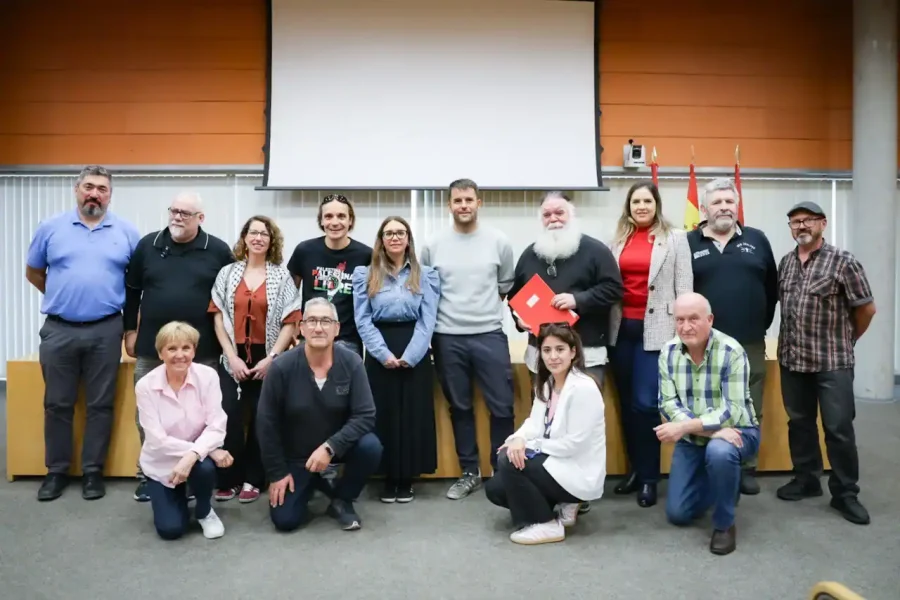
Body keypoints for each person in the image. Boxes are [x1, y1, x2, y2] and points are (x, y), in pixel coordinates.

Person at [25, 165, 141, 502]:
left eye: (102, 189)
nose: (94, 194)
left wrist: (130, 328)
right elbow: (34, 272)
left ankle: (93, 472)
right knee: (57, 404)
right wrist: (63, 298)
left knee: (100, 404)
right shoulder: (51, 228)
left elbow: (135, 284)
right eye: (89, 186)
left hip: (106, 329)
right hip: (59, 329)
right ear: (77, 190)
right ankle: (56, 471)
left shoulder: (127, 232)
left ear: (110, 195)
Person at [508, 191, 622, 514]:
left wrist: (578, 300)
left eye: (559, 212)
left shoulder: (595, 250)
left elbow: (614, 289)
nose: (553, 219)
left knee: (579, 425)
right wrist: (519, 319)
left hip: (587, 351)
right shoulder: (531, 254)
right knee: (545, 419)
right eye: (547, 214)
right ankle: (551, 485)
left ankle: (578, 492)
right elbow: (516, 297)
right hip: (541, 354)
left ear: (571, 215)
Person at [124, 192, 234, 502]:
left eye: (186, 213)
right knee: (147, 416)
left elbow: (229, 298)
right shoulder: (148, 245)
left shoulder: (218, 250)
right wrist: (129, 330)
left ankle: (195, 473)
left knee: (198, 416)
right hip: (152, 348)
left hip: (202, 351)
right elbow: (131, 292)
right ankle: (149, 474)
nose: (177, 217)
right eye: (174, 210)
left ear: (201, 218)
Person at [775, 201, 875, 525]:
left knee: (838, 428)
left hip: (832, 361)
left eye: (808, 220)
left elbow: (866, 308)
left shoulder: (844, 261)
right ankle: (807, 479)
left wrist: (848, 339)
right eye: (795, 222)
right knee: (799, 423)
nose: (801, 226)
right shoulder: (786, 263)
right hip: (793, 359)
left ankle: (845, 494)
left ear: (823, 223)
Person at [420, 178, 516, 500]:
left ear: (479, 203)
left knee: (502, 406)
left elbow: (504, 286)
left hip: (489, 333)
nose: (463, 205)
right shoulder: (433, 244)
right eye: (457, 200)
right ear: (449, 205)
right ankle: (469, 472)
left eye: (469, 200)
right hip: (447, 337)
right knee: (460, 407)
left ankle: (502, 473)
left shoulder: (499, 241)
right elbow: (428, 289)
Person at [257, 298, 383, 532]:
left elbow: (365, 415)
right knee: (285, 521)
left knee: (370, 446)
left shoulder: (352, 362)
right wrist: (277, 473)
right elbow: (267, 424)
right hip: (296, 457)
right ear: (301, 328)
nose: (318, 328)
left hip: (336, 450)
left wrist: (330, 447)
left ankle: (342, 498)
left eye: (325, 321)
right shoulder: (281, 367)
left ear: (336, 329)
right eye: (312, 321)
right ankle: (316, 482)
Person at [687, 177, 777, 496]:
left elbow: (772, 289)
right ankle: (709, 463)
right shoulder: (688, 242)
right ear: (704, 208)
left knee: (749, 404)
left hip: (749, 340)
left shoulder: (757, 239)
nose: (724, 207)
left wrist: (759, 325)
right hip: (703, 344)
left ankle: (745, 466)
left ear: (737, 206)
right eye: (717, 202)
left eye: (729, 201)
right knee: (706, 403)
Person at [607, 181, 692, 508]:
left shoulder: (676, 239)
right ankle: (634, 470)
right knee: (627, 405)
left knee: (645, 405)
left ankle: (649, 478)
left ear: (656, 205)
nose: (641, 206)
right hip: (620, 331)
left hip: (657, 332)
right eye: (635, 202)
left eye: (647, 201)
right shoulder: (617, 241)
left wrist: (685, 333)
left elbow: (684, 288)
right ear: (628, 207)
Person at [656, 293, 760, 556]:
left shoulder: (731, 351)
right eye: (680, 320)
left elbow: (733, 410)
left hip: (739, 431)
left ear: (710, 319)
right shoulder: (668, 351)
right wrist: (705, 430)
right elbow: (667, 403)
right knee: (678, 514)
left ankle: (724, 525)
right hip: (696, 437)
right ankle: (725, 482)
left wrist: (683, 427)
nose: (686, 327)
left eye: (693, 319)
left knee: (720, 451)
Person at [209, 215, 303, 503]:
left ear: (272, 240)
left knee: (264, 419)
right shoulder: (227, 273)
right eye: (253, 232)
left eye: (264, 233)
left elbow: (291, 321)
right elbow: (218, 316)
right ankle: (229, 478)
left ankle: (254, 478)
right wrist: (231, 356)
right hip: (233, 357)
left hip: (268, 356)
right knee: (229, 416)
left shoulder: (281, 276)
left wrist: (272, 358)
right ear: (244, 238)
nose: (258, 238)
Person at [485, 324, 606, 546]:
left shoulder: (584, 388)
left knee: (509, 461)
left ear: (573, 352)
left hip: (577, 470)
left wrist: (530, 446)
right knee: (496, 488)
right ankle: (561, 504)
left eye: (560, 349)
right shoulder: (549, 383)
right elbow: (533, 423)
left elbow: (573, 445)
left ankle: (546, 523)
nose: (553, 357)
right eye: (547, 350)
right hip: (555, 463)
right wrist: (517, 439)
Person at [352, 216, 440, 503]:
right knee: (384, 414)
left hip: (415, 346)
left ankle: (406, 479)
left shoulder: (425, 274)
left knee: (413, 414)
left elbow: (428, 320)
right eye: (389, 233)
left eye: (400, 232)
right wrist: (383, 354)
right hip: (380, 348)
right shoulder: (365, 274)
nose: (395, 237)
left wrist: (411, 355)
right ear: (381, 239)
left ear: (408, 239)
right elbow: (362, 319)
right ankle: (388, 478)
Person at [136, 321, 233, 540]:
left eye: (186, 348)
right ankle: (179, 494)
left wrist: (193, 456)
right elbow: (157, 440)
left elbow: (216, 424)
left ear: (194, 351)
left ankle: (204, 510)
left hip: (198, 461)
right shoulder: (145, 386)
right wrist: (208, 450)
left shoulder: (207, 376)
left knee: (205, 468)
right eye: (172, 349)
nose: (180, 355)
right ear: (160, 353)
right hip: (162, 463)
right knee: (171, 530)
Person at [286, 194, 374, 356]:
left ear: (350, 220)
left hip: (347, 340)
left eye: (341, 216)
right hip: (310, 336)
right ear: (321, 221)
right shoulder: (304, 251)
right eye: (328, 216)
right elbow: (289, 296)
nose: (334, 222)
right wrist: (292, 329)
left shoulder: (366, 255)